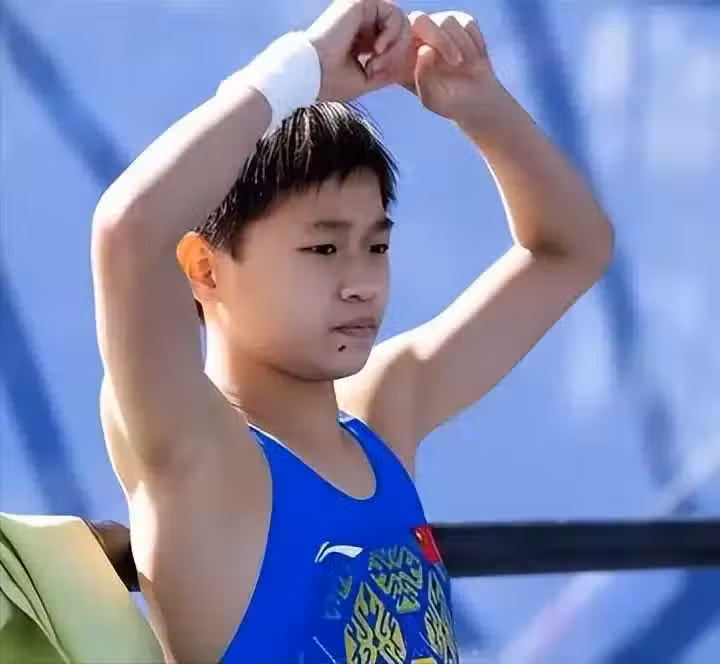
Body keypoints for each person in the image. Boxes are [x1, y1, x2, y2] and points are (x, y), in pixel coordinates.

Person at [90, 0, 614, 661]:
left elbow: (574, 249)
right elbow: (130, 232)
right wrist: (301, 67)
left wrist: (479, 103)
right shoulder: (201, 455)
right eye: (323, 249)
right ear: (205, 268)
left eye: (376, 246)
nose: (361, 282)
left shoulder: (383, 415)